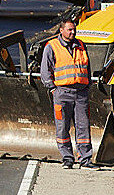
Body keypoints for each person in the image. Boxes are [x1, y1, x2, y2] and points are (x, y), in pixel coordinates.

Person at [40, 16, 93, 166]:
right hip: (62, 93)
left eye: (74, 29)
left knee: (83, 127)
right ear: (61, 30)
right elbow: (45, 70)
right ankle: (67, 157)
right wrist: (52, 88)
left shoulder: (81, 45)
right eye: (69, 30)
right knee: (62, 126)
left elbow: (86, 67)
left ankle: (85, 159)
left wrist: (87, 84)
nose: (72, 32)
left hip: (81, 93)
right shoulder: (52, 46)